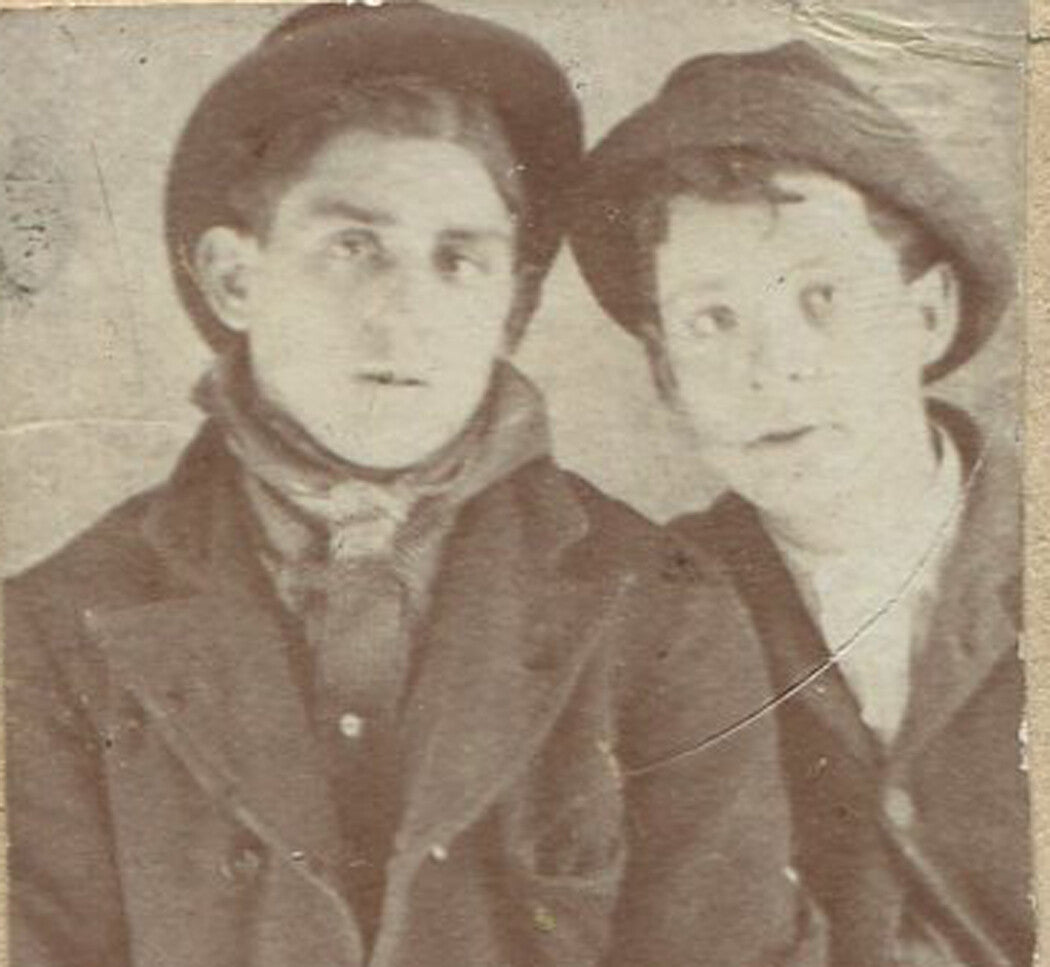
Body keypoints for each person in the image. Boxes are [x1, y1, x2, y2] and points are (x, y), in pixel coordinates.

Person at [3, 7, 824, 966]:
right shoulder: (58, 631)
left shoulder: (662, 614)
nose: (406, 312)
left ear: (510, 303)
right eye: (355, 247)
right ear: (234, 278)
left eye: (458, 259)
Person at [569, 40, 1030, 967]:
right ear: (665, 373)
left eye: (823, 297)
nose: (772, 367)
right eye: (714, 320)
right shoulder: (644, 616)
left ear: (926, 314)